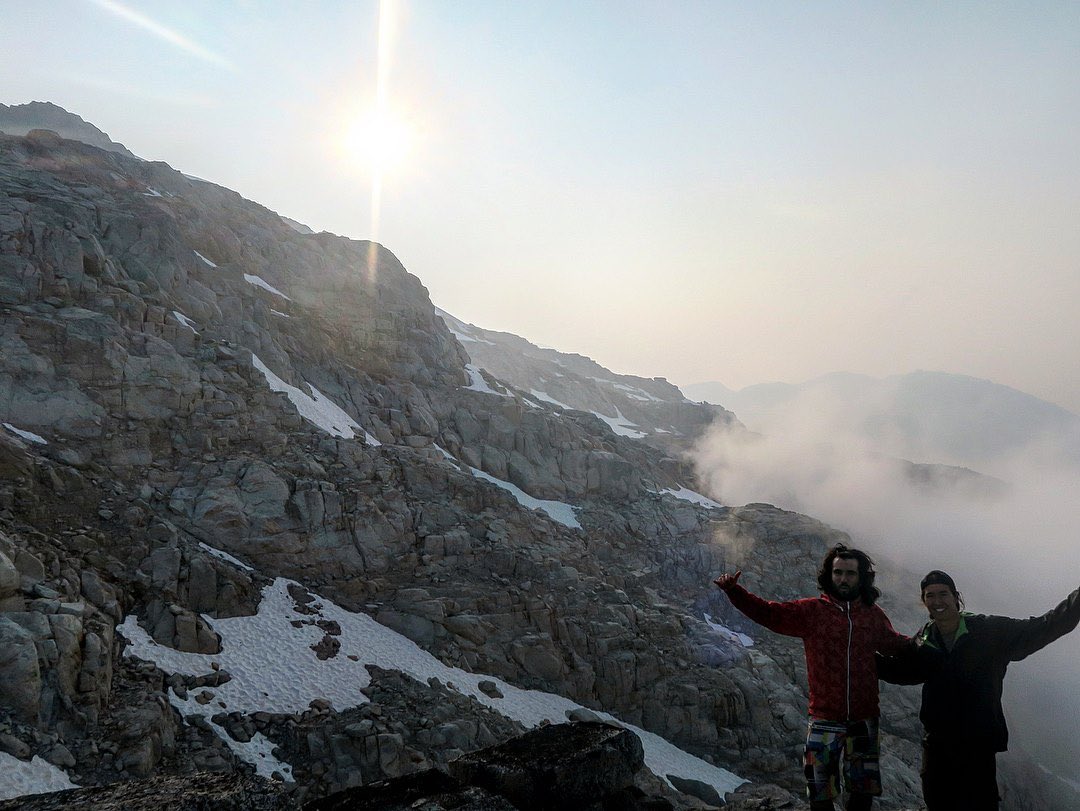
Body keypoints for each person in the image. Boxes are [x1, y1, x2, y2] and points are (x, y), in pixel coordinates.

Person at [714, 544, 911, 811]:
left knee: (862, 793)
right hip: (824, 717)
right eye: (838, 572)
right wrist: (734, 592)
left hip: (864, 718)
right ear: (829, 575)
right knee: (820, 793)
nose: (843, 579)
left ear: (862, 577)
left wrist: (930, 640)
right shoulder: (813, 611)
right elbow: (771, 614)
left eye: (850, 573)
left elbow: (895, 644)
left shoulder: (873, 616)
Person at [877, 570, 1080, 810]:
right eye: (930, 596)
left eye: (943, 594)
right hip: (937, 747)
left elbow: (1043, 627)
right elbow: (901, 671)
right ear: (924, 601)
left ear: (955, 597)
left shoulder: (987, 630)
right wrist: (858, 655)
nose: (937, 601)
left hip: (977, 747)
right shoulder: (924, 640)